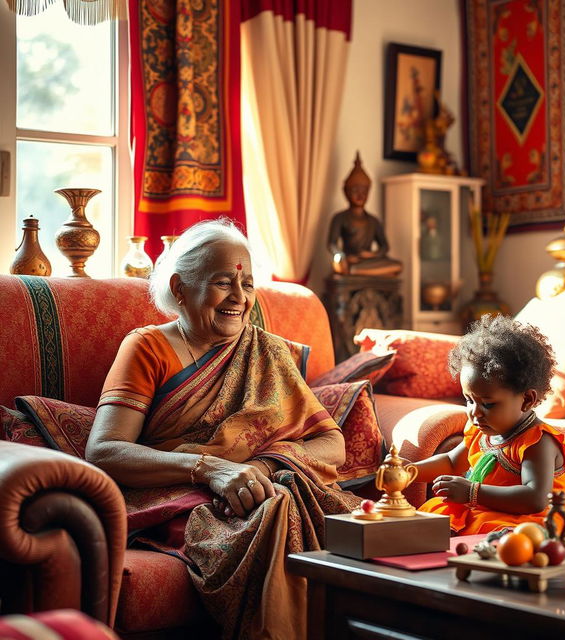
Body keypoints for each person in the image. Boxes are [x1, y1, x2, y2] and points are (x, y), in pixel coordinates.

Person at [85, 218, 361, 639]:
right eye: (222, 283)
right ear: (180, 288)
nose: (239, 297)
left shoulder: (267, 350)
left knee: (300, 502)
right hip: (180, 497)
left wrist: (263, 468)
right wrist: (211, 470)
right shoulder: (147, 347)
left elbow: (331, 444)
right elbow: (105, 450)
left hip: (263, 485)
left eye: (247, 284)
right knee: (275, 507)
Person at [413, 314, 565, 536]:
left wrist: (472, 492)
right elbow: (450, 462)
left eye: (487, 404)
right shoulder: (481, 430)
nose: (474, 412)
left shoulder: (537, 442)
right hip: (486, 509)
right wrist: (409, 471)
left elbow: (534, 498)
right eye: (469, 400)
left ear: (527, 400)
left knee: (501, 535)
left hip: (529, 518)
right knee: (430, 517)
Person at [327, 153, 402, 277]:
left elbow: (384, 246)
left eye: (364, 191)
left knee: (397, 265)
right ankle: (354, 270)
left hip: (368, 260)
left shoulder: (373, 220)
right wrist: (343, 256)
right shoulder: (340, 217)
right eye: (355, 191)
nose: (360, 195)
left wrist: (372, 255)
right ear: (347, 192)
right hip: (350, 260)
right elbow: (332, 244)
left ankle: (357, 271)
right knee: (340, 265)